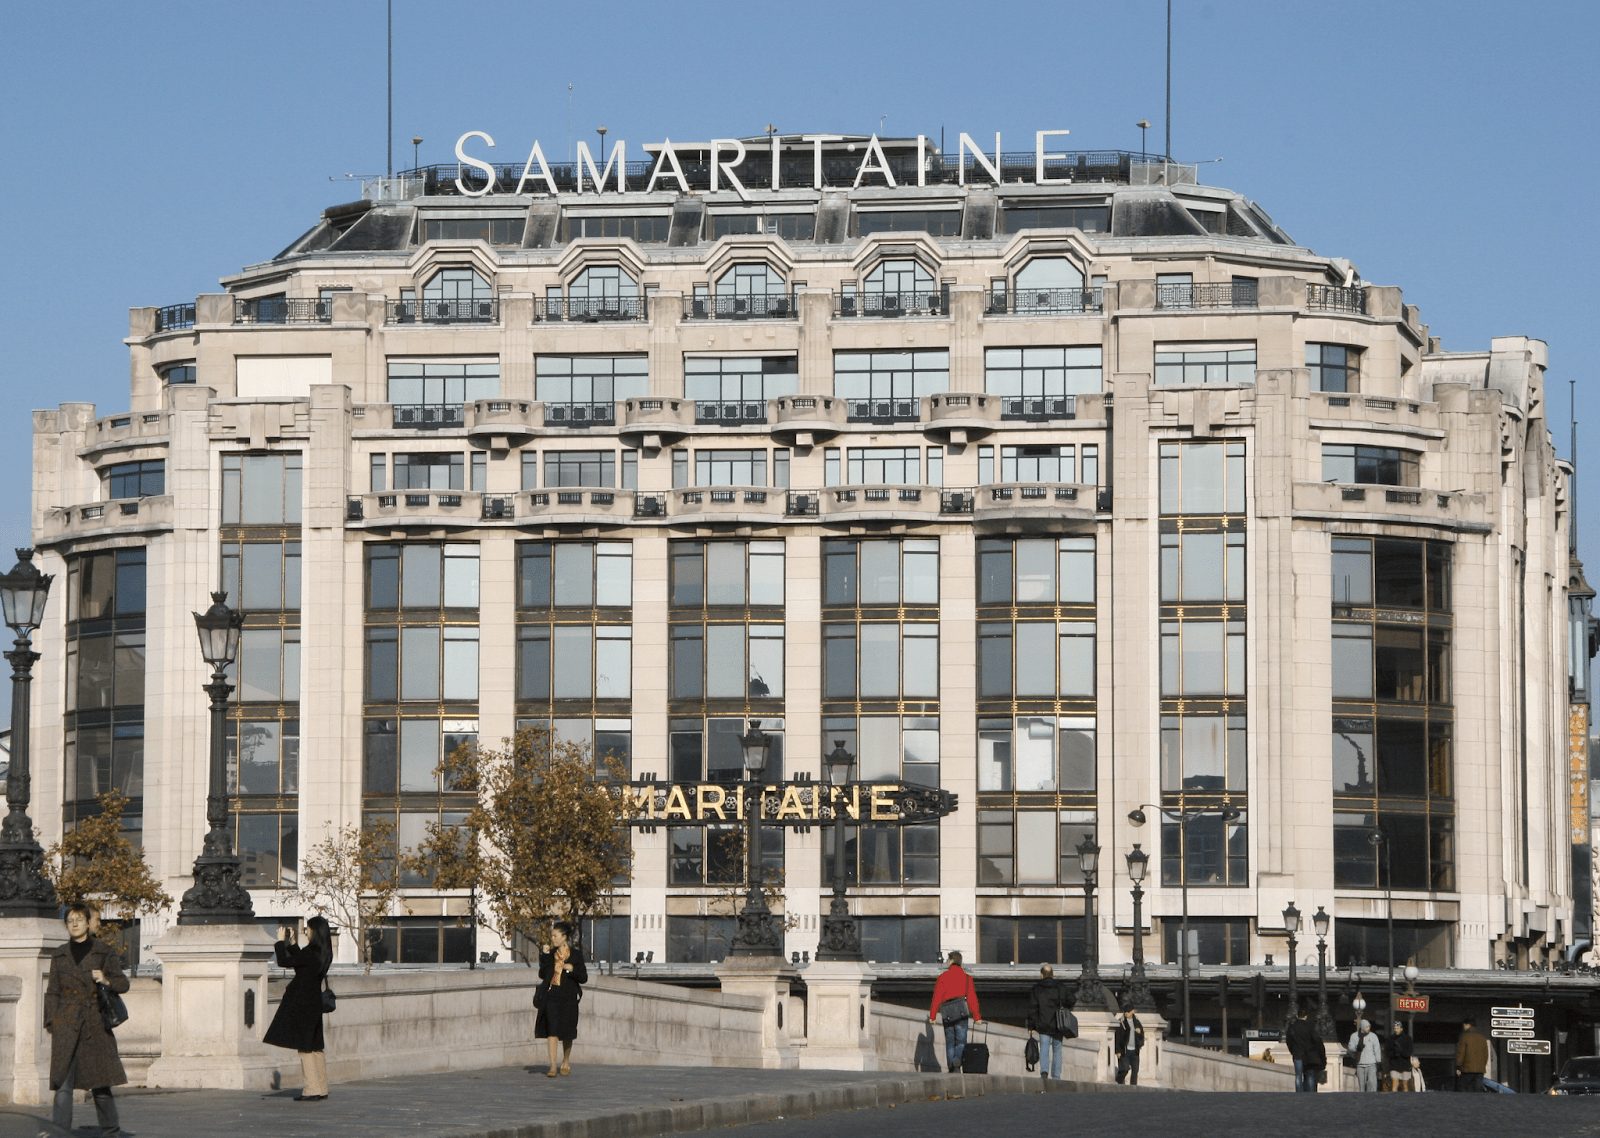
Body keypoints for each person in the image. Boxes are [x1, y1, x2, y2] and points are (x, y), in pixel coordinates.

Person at [45, 903, 129, 1136]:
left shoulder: (103, 951)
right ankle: (59, 1131)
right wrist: (52, 1021)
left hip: (95, 1024)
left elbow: (123, 984)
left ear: (88, 923)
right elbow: (52, 991)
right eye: (70, 920)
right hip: (66, 1025)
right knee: (63, 1083)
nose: (74, 923)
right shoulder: (59, 954)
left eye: (79, 919)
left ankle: (111, 1130)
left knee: (101, 1084)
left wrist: (105, 979)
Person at [263, 915, 334, 1101]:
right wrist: (293, 945)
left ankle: (311, 1089)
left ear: (315, 931)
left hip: (303, 1003)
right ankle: (321, 1086)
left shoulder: (311, 953)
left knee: (305, 1047)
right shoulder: (323, 953)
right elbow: (301, 967)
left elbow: (283, 962)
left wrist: (279, 942)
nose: (306, 932)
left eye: (308, 929)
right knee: (316, 1046)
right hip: (314, 1003)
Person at [536, 920, 588, 1077]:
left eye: (555, 936)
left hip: (569, 998)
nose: (553, 939)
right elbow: (542, 974)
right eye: (552, 936)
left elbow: (583, 977)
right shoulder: (550, 954)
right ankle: (552, 1065)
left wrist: (571, 969)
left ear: (564, 937)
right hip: (552, 996)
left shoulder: (576, 955)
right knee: (552, 1030)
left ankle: (565, 1061)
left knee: (567, 1032)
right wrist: (544, 956)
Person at [928, 950, 981, 1073]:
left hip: (948, 1012)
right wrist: (977, 1017)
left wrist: (933, 1015)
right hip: (961, 1012)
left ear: (952, 960)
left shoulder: (942, 977)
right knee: (961, 1041)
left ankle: (952, 1066)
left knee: (950, 1042)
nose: (946, 962)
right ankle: (957, 1061)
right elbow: (972, 999)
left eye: (947, 960)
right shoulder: (967, 978)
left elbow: (936, 998)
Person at [1025, 964, 1071, 1080]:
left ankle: (1044, 1072)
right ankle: (1056, 1076)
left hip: (1043, 1023)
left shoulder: (1037, 989)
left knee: (1044, 1047)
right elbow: (1071, 999)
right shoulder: (1060, 987)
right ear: (1053, 975)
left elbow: (1032, 1008)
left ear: (1041, 975)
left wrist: (1031, 1025)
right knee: (1057, 1049)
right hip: (1058, 1023)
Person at [1284, 1002, 1325, 1092]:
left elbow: (1288, 1041)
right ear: (1306, 1016)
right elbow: (1317, 1040)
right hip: (1309, 1055)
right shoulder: (1310, 1026)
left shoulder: (1292, 1027)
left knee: (1298, 1076)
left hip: (1297, 1054)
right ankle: (1309, 1094)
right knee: (1309, 1075)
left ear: (1297, 1016)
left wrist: (1293, 1051)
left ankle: (1299, 1092)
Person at [1113, 1002, 1145, 1085]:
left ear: (1133, 1011)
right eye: (1125, 1012)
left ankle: (1133, 1088)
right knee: (1124, 1069)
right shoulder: (1121, 1023)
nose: (1126, 1013)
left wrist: (1140, 1043)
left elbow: (1142, 1035)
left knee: (1135, 1070)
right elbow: (1117, 1038)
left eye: (1128, 1011)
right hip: (1124, 1050)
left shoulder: (1137, 1023)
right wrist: (1117, 1051)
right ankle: (1118, 1082)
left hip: (1135, 1051)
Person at [1455, 1016, 1489, 1092]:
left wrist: (1458, 1066)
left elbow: (1461, 1053)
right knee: (1477, 1090)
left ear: (1467, 1025)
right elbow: (1486, 1054)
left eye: (1464, 1025)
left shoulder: (1464, 1037)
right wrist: (1482, 1065)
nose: (1463, 1027)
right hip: (1480, 1070)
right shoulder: (1482, 1038)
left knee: (1462, 1088)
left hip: (1467, 1069)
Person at [1347, 1017, 1382, 1091]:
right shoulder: (1354, 1036)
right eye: (1366, 1026)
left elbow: (1377, 1049)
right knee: (1361, 1086)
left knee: (1372, 1083)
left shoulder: (1373, 1036)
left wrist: (1378, 1061)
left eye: (1369, 1026)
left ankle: (1372, 1098)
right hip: (1360, 1064)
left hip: (1371, 1064)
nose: (1368, 1028)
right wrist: (1357, 1048)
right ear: (1362, 1027)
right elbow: (1350, 1048)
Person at [1386, 1020, 1415, 1091]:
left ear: (1401, 1028)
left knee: (1405, 1085)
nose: (1396, 1030)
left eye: (1398, 1028)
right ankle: (1394, 1100)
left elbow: (1409, 1052)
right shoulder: (1390, 1038)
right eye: (1395, 1028)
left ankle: (1405, 1101)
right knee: (1395, 1084)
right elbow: (1387, 1052)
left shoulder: (1408, 1038)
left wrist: (1401, 1051)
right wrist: (1394, 1053)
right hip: (1394, 1064)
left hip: (1405, 1065)